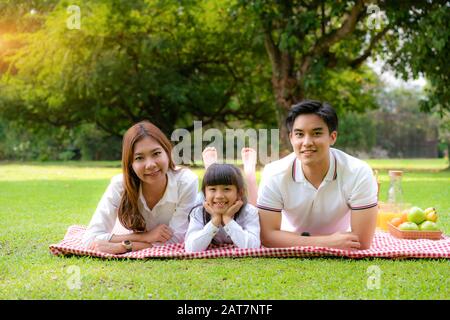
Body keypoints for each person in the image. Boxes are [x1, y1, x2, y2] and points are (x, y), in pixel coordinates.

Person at [257, 100, 378, 250]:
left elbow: (361, 242)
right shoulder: (274, 173)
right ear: (291, 138)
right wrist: (326, 243)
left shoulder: (358, 172)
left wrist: (299, 242)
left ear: (332, 137)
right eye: (299, 134)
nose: (307, 142)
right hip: (301, 236)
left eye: (317, 133)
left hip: (292, 240)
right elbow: (267, 236)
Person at [82, 120, 199, 254]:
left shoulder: (186, 182)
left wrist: (124, 246)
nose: (150, 165)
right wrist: (145, 236)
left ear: (168, 152)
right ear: (130, 163)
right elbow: (90, 238)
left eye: (156, 153)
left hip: (120, 241)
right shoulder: (120, 185)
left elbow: (178, 240)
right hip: (125, 234)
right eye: (139, 158)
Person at [184, 149, 260, 252]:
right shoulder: (198, 213)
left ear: (239, 193)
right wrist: (215, 220)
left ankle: (249, 173)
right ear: (204, 194)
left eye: (227, 189)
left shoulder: (249, 212)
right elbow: (191, 248)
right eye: (213, 189)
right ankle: (210, 168)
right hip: (206, 202)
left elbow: (252, 247)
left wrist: (228, 219)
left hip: (242, 201)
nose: (219, 195)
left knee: (255, 202)